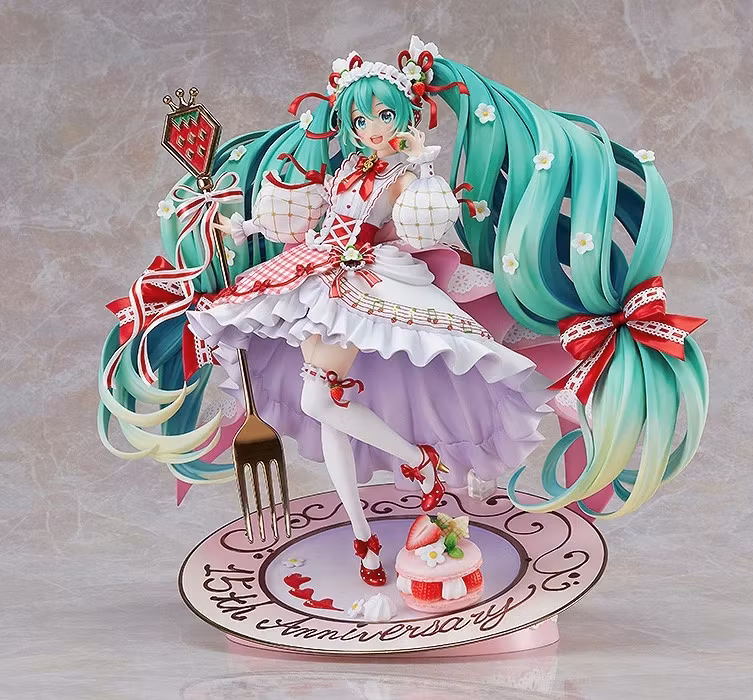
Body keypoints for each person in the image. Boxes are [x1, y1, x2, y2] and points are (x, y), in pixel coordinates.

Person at [98, 36, 708, 587]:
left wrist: (417, 164)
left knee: (320, 400)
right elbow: (309, 218)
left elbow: (424, 227)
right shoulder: (345, 169)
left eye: (384, 116)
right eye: (360, 119)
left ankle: (419, 464)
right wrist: (249, 225)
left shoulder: (400, 175)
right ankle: (364, 530)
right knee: (328, 412)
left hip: (369, 277)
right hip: (319, 269)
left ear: (406, 118)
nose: (372, 128)